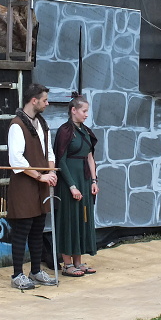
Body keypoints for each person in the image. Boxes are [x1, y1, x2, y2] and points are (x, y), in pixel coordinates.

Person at [7, 83, 59, 289]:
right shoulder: (17, 125)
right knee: (22, 231)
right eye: (44, 100)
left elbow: (49, 153)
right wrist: (40, 176)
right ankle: (17, 275)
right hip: (24, 186)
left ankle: (36, 271)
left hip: (41, 185)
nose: (47, 103)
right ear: (34, 100)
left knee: (38, 230)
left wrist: (51, 173)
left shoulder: (42, 124)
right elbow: (16, 159)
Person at [53, 93, 99, 277]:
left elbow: (90, 157)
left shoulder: (85, 131)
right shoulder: (65, 131)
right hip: (69, 182)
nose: (86, 114)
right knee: (69, 219)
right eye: (84, 111)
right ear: (74, 110)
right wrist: (72, 186)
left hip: (85, 180)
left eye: (87, 111)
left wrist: (94, 181)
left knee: (82, 218)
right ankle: (67, 264)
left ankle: (78, 262)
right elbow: (61, 161)